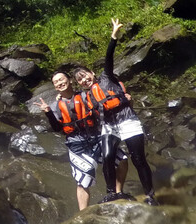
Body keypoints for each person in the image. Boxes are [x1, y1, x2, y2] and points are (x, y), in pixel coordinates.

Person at [75, 18, 158, 206]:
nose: (83, 80)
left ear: (91, 73)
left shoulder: (106, 76)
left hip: (128, 121)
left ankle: (150, 195)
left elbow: (109, 57)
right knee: (107, 156)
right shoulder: (86, 96)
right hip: (109, 126)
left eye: (84, 75)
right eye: (79, 80)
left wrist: (113, 37)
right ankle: (112, 193)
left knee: (138, 159)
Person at [34, 72, 128, 210]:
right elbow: (56, 128)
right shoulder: (55, 106)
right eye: (56, 82)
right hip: (76, 144)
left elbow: (102, 105)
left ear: (70, 80)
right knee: (83, 181)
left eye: (62, 79)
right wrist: (48, 112)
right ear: (55, 87)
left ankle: (118, 193)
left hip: (96, 138)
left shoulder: (86, 96)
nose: (60, 83)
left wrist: (124, 99)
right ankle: (83, 214)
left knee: (123, 160)